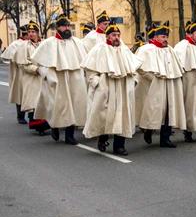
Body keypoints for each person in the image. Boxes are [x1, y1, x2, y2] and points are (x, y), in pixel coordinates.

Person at [81, 22, 141, 155]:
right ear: (107, 36)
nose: (117, 37)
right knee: (104, 116)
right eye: (114, 35)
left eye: (118, 35)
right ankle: (102, 139)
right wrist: (98, 84)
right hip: (106, 87)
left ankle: (119, 146)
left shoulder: (124, 50)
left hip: (123, 89)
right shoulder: (99, 49)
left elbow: (134, 68)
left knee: (122, 117)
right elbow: (90, 71)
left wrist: (134, 81)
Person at [31, 14, 87, 144]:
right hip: (57, 78)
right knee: (58, 106)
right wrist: (46, 75)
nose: (67, 28)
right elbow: (40, 63)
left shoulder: (77, 42)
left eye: (68, 25)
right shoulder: (49, 43)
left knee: (73, 106)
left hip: (74, 78)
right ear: (58, 28)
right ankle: (54, 126)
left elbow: (84, 60)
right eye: (64, 26)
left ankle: (69, 135)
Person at [135, 22, 186, 148]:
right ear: (156, 37)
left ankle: (165, 138)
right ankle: (148, 130)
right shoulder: (146, 49)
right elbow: (140, 68)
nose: (165, 39)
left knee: (168, 112)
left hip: (169, 85)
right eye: (163, 37)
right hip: (154, 86)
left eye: (166, 37)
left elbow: (176, 67)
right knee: (154, 111)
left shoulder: (170, 50)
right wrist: (152, 79)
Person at [1, 25, 31, 124]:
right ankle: (20, 116)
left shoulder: (31, 43)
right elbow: (7, 56)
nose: (28, 35)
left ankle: (33, 117)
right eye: (27, 33)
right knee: (20, 95)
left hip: (30, 73)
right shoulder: (15, 44)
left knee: (31, 94)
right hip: (19, 73)